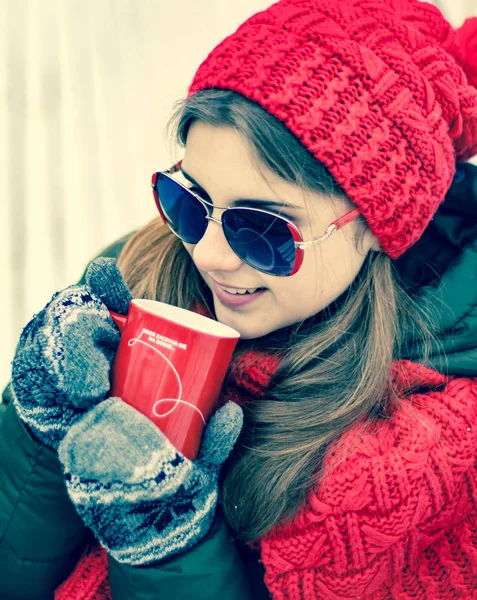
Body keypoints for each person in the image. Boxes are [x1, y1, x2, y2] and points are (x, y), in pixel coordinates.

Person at [1, 0, 477, 598]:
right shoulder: (140, 273)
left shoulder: (433, 454)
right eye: (189, 202)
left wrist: (164, 539)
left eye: (264, 230)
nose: (210, 256)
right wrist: (38, 426)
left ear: (378, 228)